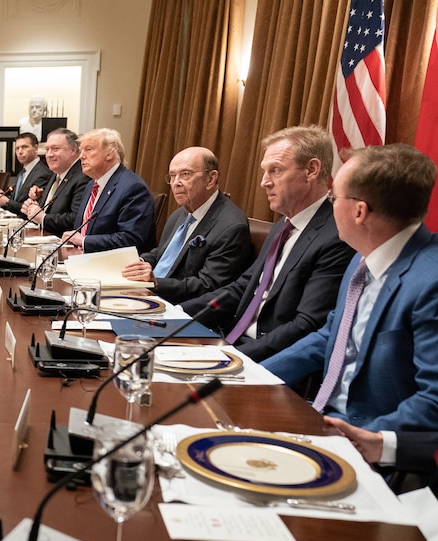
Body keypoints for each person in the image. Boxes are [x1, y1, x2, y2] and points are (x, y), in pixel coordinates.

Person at [263, 144, 438, 435]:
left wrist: (358, 438)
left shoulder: (429, 283)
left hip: (370, 441)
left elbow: (433, 400)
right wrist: (255, 375)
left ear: (359, 212)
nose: (330, 206)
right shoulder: (363, 256)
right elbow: (332, 335)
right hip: (318, 414)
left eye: (333, 198)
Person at [183, 126, 354, 362]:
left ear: (311, 170)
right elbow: (243, 287)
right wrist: (179, 315)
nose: (264, 182)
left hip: (268, 358)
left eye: (275, 170)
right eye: (265, 172)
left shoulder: (335, 236)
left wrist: (229, 358)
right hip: (230, 339)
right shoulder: (284, 224)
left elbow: (307, 325)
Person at [121, 147, 253, 303]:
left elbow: (208, 285)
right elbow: (161, 254)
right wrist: (139, 264)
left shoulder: (231, 227)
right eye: (172, 176)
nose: (176, 183)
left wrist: (155, 282)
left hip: (183, 308)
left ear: (211, 179)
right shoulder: (180, 213)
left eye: (185, 174)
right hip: (149, 296)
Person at [60, 127, 157, 255]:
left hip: (115, 266)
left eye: (88, 149)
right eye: (81, 151)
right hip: (83, 259)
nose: (81, 156)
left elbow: (131, 239)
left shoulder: (132, 187)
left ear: (110, 153)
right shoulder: (91, 185)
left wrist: (84, 241)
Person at [20, 128, 91, 235]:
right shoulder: (57, 173)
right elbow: (51, 208)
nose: (49, 155)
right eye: (47, 149)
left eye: (55, 149)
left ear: (73, 150)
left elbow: (77, 218)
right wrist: (33, 205)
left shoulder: (83, 176)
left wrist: (43, 218)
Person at [0, 132, 52, 216]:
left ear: (36, 148)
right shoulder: (22, 172)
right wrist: (3, 197)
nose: (20, 152)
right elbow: (17, 201)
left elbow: (30, 208)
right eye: (17, 148)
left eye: (24, 147)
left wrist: (7, 202)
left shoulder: (43, 174)